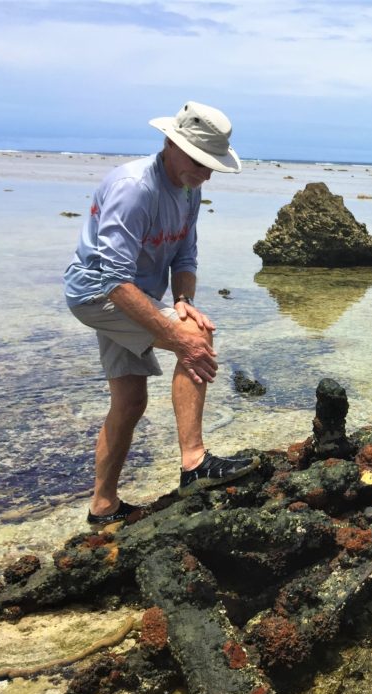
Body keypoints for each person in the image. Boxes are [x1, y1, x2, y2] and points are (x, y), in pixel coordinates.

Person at [64, 100, 258, 524]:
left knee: (130, 401)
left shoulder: (189, 188)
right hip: (100, 294)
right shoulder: (135, 188)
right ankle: (194, 463)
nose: (206, 173)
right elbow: (113, 280)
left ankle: (103, 506)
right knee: (196, 339)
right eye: (200, 162)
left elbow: (185, 255)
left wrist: (183, 300)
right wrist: (180, 341)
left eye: (211, 166)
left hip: (132, 295)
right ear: (170, 142)